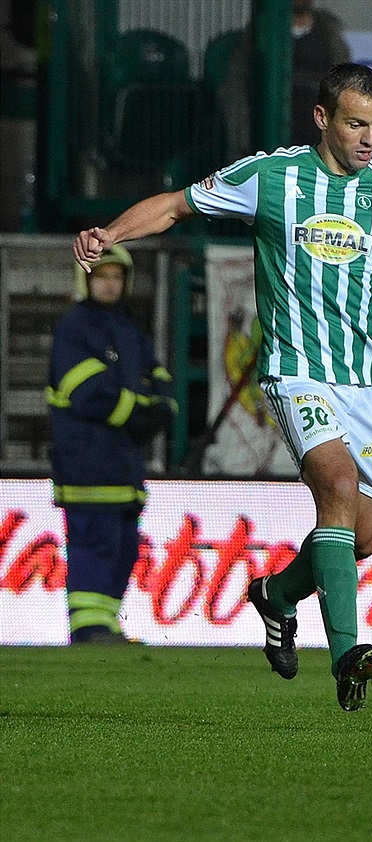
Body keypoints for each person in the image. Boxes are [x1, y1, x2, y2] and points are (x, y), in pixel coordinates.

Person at [73, 63, 372, 709]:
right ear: (322, 118)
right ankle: (347, 652)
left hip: (367, 386)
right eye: (355, 123)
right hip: (298, 374)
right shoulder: (271, 178)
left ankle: (276, 594)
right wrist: (110, 234)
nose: (368, 138)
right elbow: (176, 205)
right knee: (337, 487)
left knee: (364, 537)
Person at [46, 245, 176, 643]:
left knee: (123, 547)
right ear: (85, 280)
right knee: (95, 544)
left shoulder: (129, 329)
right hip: (86, 461)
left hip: (123, 464)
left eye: (116, 276)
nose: (109, 284)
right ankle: (88, 629)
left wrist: (161, 406)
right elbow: (87, 392)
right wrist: (142, 412)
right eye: (101, 276)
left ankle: (105, 624)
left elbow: (158, 380)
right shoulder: (75, 327)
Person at [218, 0, 350, 160]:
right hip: (268, 140)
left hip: (318, 142)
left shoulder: (329, 36)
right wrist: (242, 139)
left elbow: (343, 87)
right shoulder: (259, 36)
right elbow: (236, 89)